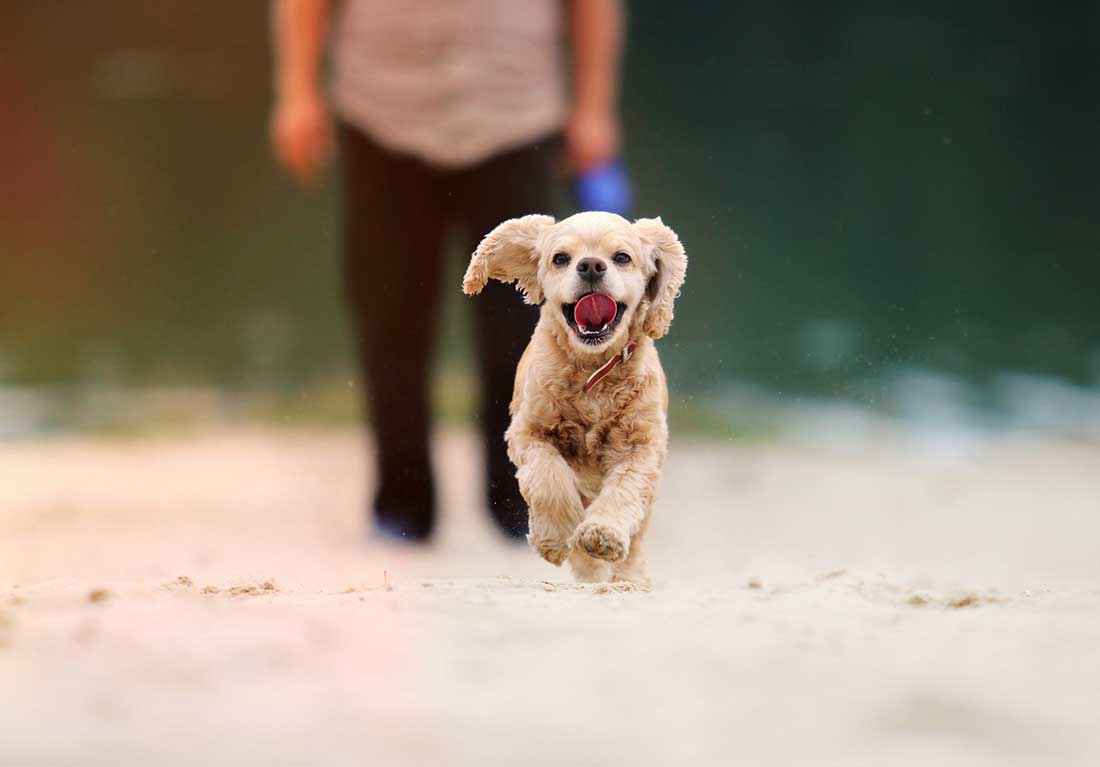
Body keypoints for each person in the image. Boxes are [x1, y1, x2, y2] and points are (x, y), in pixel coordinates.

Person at [270, 0, 624, 542]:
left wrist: (594, 107)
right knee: (390, 313)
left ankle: (521, 499)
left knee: (524, 320)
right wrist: (297, 93)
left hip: (515, 112)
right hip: (381, 111)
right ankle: (402, 505)